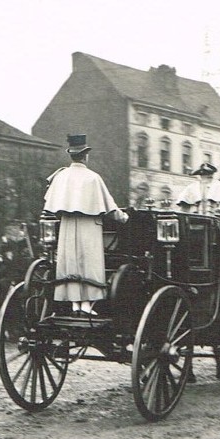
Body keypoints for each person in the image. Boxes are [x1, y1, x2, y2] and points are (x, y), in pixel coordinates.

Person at [43, 134, 128, 315]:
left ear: (71, 155)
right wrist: (125, 218)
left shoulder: (61, 177)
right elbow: (110, 208)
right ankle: (87, 305)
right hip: (89, 225)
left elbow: (51, 204)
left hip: (67, 224)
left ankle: (74, 303)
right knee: (89, 262)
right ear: (85, 155)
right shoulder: (92, 178)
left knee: (70, 261)